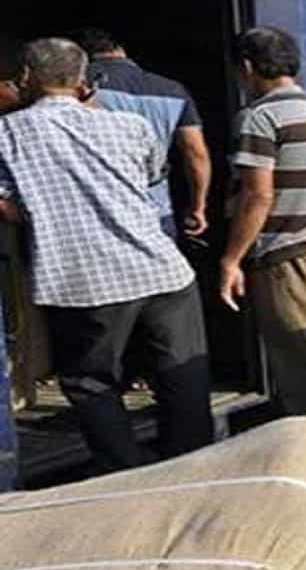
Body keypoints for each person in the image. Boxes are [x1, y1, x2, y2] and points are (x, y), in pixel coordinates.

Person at [0, 38, 213, 471]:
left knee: (90, 381)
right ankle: (193, 466)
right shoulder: (130, 126)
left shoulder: (7, 134)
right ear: (83, 79)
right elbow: (148, 176)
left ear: (26, 77)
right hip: (162, 271)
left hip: (83, 282)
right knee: (182, 374)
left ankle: (126, 473)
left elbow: (8, 209)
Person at [220, 26, 306, 432]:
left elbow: (258, 195)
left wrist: (231, 260)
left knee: (304, 361)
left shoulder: (259, 118)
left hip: (287, 254)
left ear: (247, 67)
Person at [75, 28, 211, 238]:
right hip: (155, 204)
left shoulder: (78, 87)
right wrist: (198, 207)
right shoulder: (173, 90)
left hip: (98, 203)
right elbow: (196, 154)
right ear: (121, 50)